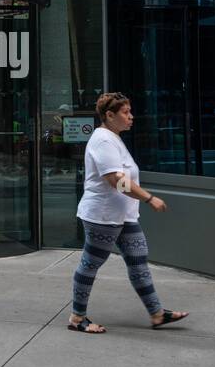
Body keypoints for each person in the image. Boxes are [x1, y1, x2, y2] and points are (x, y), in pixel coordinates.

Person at [68, 92, 188, 335]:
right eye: (125, 112)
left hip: (123, 216)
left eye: (130, 111)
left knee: (138, 261)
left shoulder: (114, 138)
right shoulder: (103, 140)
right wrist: (148, 198)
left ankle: (156, 314)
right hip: (103, 216)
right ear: (109, 115)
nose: (131, 117)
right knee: (90, 264)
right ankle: (76, 317)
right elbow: (116, 180)